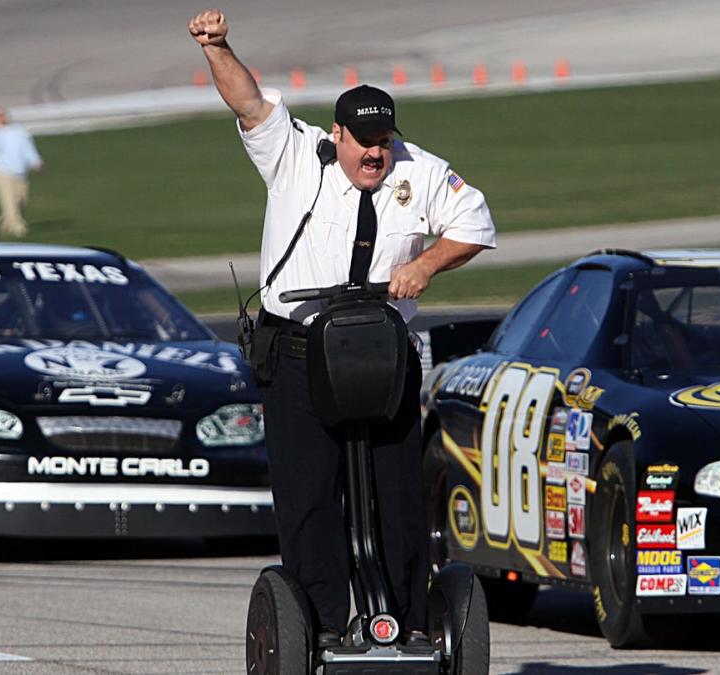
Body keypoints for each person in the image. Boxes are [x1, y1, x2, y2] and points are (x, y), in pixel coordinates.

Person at [188, 9, 497, 646]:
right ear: (338, 136)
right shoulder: (294, 151)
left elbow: (475, 222)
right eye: (363, 142)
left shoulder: (420, 170)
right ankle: (321, 627)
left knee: (397, 497)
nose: (375, 153)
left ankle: (407, 625)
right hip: (300, 352)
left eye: (384, 140)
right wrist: (218, 47)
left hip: (381, 356)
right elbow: (248, 101)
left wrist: (426, 265)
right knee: (308, 500)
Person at [0, 106, 43, 237]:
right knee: (9, 200)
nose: (1, 119)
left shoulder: (19, 130)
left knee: (21, 200)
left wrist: (35, 160)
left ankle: (5, 223)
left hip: (20, 171)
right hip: (2, 170)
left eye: (3, 116)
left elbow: (27, 146)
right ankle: (19, 229)